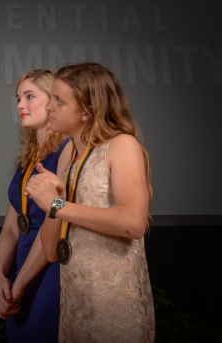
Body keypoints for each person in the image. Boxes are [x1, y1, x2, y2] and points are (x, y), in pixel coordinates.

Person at [24, 62, 155, 342]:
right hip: (75, 307)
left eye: (59, 101)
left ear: (87, 111)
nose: (49, 107)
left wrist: (59, 206)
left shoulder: (121, 145)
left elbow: (134, 223)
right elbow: (49, 251)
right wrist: (52, 203)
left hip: (115, 310)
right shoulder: (68, 153)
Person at [0, 69, 70, 342]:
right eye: (18, 98)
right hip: (20, 267)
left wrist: (20, 284)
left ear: (52, 101)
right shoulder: (26, 160)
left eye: (29, 97)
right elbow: (12, 229)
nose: (19, 105)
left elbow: (56, 221)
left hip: (50, 268)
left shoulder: (68, 150)